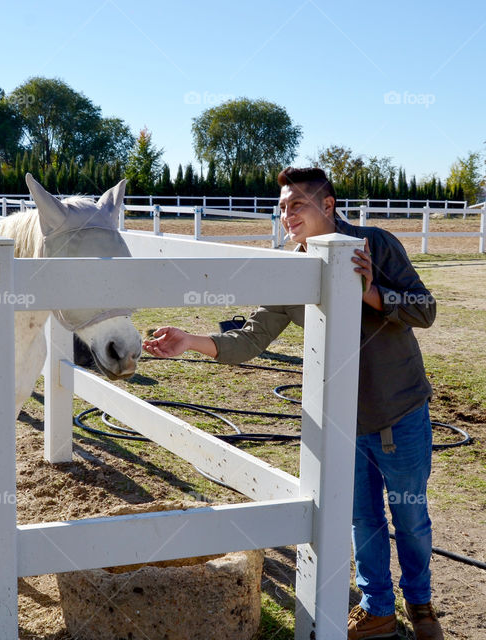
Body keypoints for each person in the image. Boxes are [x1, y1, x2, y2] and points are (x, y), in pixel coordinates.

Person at [143, 167, 443, 640]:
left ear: (328, 206)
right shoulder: (290, 270)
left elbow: (423, 308)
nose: (286, 215)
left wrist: (368, 291)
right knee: (361, 520)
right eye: (282, 207)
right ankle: (378, 609)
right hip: (342, 421)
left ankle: (421, 606)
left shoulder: (376, 245)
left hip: (400, 412)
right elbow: (250, 340)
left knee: (410, 516)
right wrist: (190, 341)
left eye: (296, 204)